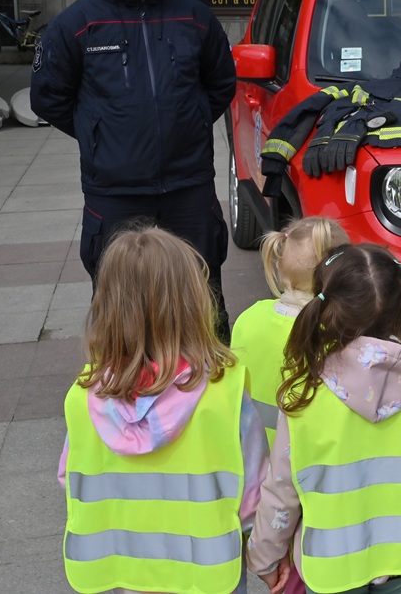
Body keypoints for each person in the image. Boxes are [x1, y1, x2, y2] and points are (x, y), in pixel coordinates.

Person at [31, 0, 237, 340]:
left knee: (203, 301)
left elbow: (220, 84)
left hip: (189, 189)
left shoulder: (194, 17)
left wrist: (191, 122)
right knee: (121, 309)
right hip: (116, 194)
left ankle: (212, 378)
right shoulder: (77, 24)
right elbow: (49, 98)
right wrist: (102, 133)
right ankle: (125, 381)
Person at [59, 226, 268, 594]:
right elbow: (253, 492)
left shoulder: (84, 396)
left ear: (107, 307)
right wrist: (266, 554)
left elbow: (70, 477)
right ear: (193, 301)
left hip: (126, 569)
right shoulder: (224, 390)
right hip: (208, 569)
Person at [247, 244, 401, 594]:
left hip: (333, 560)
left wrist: (264, 556)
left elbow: (283, 488)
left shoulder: (306, 393)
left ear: (327, 307)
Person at [231, 216, 350, 445]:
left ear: (279, 266)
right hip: (305, 454)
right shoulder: (336, 335)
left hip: (249, 448)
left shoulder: (248, 317)